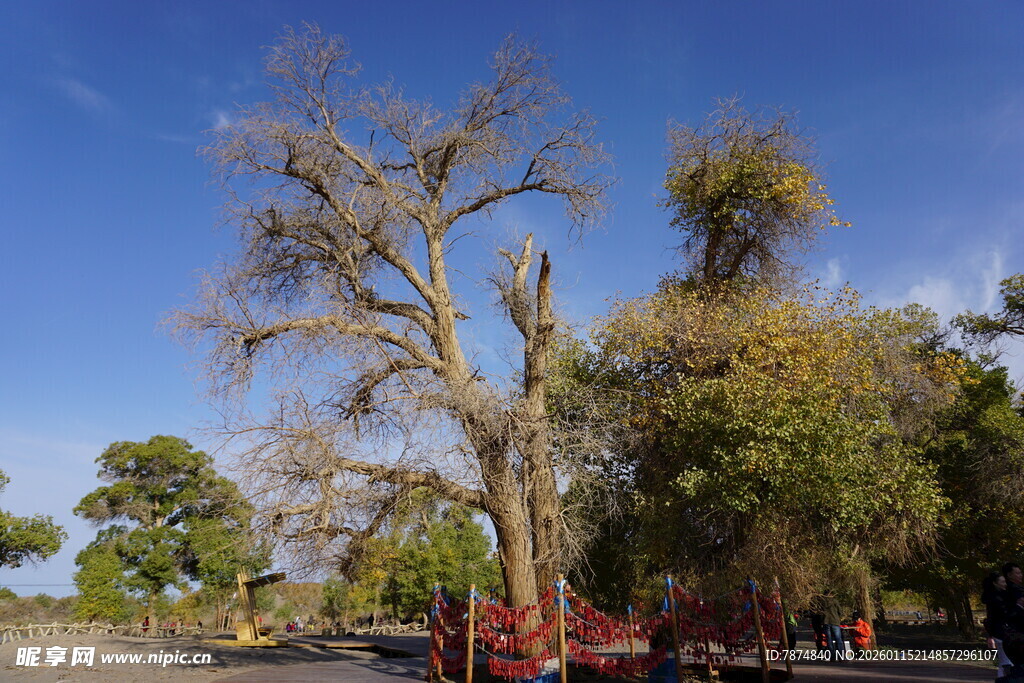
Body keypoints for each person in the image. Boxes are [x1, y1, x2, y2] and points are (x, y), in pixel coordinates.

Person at [985, 571, 1015, 677]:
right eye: (1002, 582)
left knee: (1004, 662)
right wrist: (990, 636)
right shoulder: (995, 599)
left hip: (1004, 633)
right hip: (1001, 634)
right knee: (1006, 662)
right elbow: (991, 618)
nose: (1005, 584)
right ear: (995, 583)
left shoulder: (1002, 597)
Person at [820, 590, 846, 661]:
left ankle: (832, 656)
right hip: (835, 621)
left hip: (826, 622)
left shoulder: (822, 602)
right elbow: (840, 611)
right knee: (838, 639)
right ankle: (841, 656)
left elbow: (820, 613)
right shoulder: (835, 601)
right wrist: (840, 618)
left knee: (829, 639)